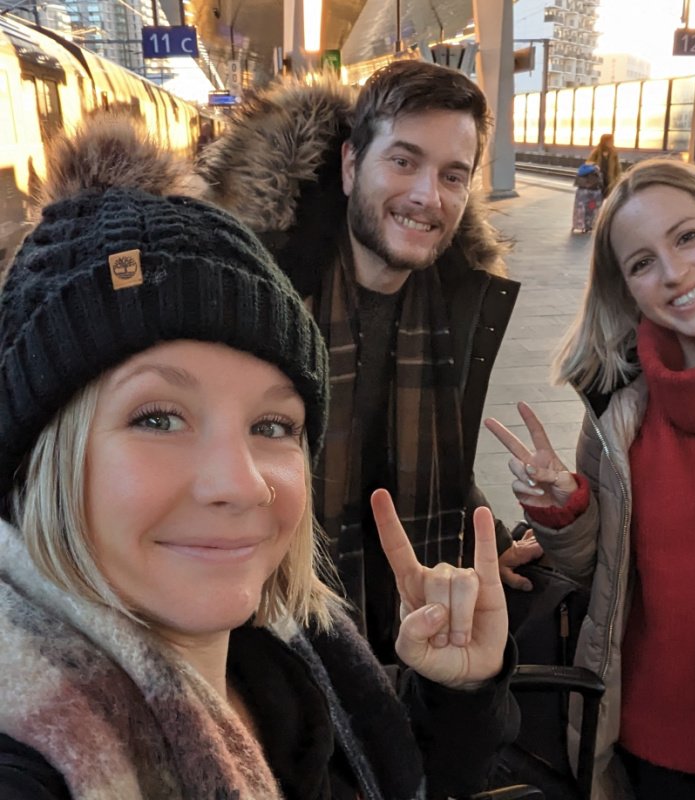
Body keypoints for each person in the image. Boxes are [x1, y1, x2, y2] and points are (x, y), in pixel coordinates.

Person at [0, 117, 520, 800]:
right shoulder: (31, 761)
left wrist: (458, 695)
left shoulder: (291, 647)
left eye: (274, 425)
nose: (241, 485)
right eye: (158, 417)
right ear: (41, 456)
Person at [198, 60, 541, 662]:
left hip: (415, 628)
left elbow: (422, 452)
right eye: (403, 161)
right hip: (267, 632)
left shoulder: (460, 299)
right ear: (352, 165)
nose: (426, 197)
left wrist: (484, 532)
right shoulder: (260, 291)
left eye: (453, 175)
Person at [485, 158, 695, 800]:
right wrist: (566, 513)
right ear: (625, 288)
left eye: (688, 237)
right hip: (647, 745)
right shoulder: (617, 401)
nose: (675, 274)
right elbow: (602, 572)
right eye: (641, 263)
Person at [587, 133, 621, 199]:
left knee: (607, 199)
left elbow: (617, 167)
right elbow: (588, 164)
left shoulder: (613, 153)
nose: (611, 143)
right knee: (597, 199)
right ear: (604, 141)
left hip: (609, 181)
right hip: (597, 180)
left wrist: (617, 179)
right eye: (609, 141)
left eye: (612, 141)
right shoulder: (596, 152)